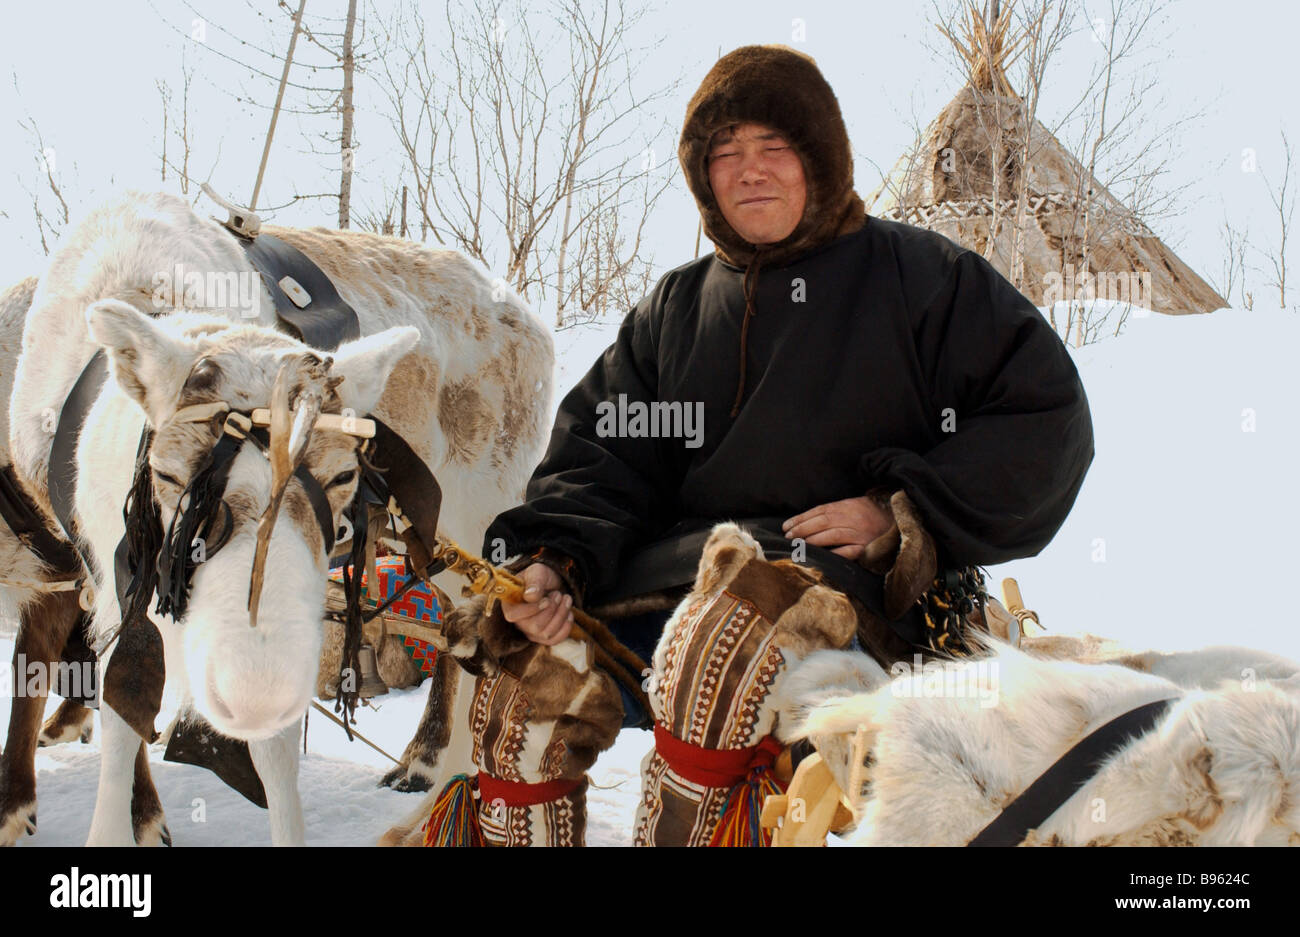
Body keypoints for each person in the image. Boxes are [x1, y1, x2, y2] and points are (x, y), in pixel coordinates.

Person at [447, 44, 1094, 846]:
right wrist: (552, 557)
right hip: (674, 585)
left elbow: (1046, 416)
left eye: (774, 148)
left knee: (719, 656)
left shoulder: (922, 279)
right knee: (523, 678)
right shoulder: (675, 311)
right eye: (725, 154)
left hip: (855, 605)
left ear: (821, 160)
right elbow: (602, 457)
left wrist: (903, 513)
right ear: (701, 175)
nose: (749, 171)